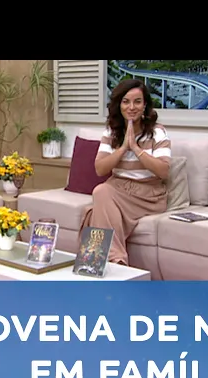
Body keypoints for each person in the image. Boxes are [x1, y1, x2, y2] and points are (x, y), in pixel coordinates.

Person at [79, 78, 171, 266]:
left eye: (137, 102)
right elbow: (100, 168)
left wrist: (136, 148)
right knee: (102, 194)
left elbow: (163, 171)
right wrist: (123, 148)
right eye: (126, 102)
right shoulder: (111, 132)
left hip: (148, 194)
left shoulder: (157, 132)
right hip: (117, 188)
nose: (132, 107)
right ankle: (115, 261)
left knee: (99, 200)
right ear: (119, 105)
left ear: (145, 105)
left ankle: (106, 260)